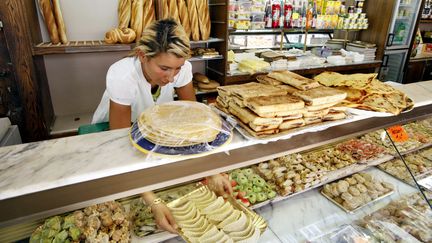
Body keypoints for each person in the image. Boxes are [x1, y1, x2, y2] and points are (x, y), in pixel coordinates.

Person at [92, 19, 232, 234]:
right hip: (114, 131)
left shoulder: (180, 68)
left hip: (155, 129)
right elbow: (122, 148)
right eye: (164, 68)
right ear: (142, 56)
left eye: (177, 69)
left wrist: (212, 170)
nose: (171, 76)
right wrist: (152, 200)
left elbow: (197, 124)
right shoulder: (122, 75)